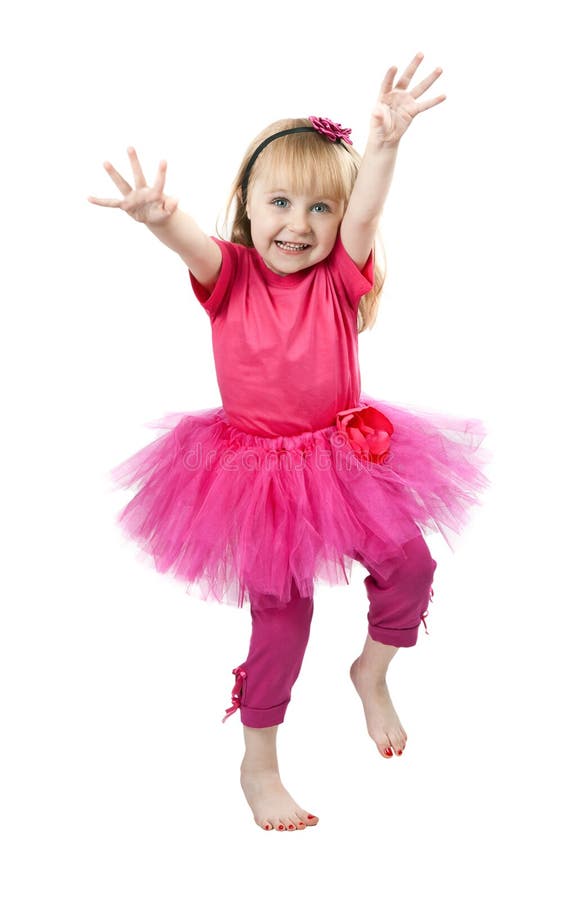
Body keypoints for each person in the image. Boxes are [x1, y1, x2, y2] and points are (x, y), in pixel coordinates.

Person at [89, 53, 490, 833]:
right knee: (281, 619)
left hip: (345, 458)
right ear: (246, 206)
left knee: (410, 563)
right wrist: (157, 216)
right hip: (254, 474)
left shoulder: (341, 277)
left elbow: (367, 214)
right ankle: (259, 760)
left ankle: (371, 670)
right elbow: (190, 243)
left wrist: (384, 144)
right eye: (279, 203)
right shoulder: (228, 273)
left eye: (318, 210)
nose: (297, 226)